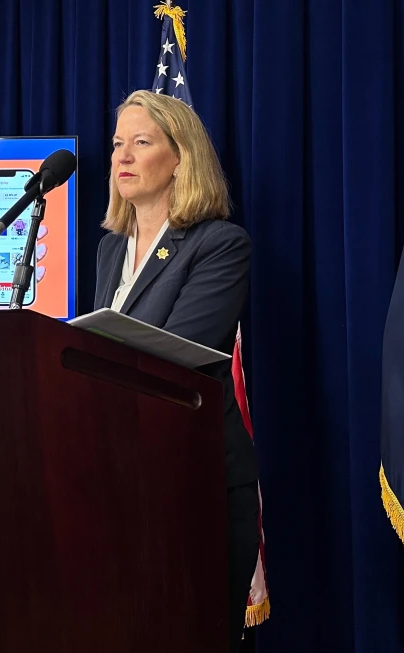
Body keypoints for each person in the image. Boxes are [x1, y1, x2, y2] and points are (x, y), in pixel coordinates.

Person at [94, 89, 260, 651]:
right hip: (118, 477)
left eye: (141, 143)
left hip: (194, 477)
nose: (122, 156)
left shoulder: (219, 245)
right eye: (118, 143)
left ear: (181, 158)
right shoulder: (110, 251)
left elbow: (181, 351)